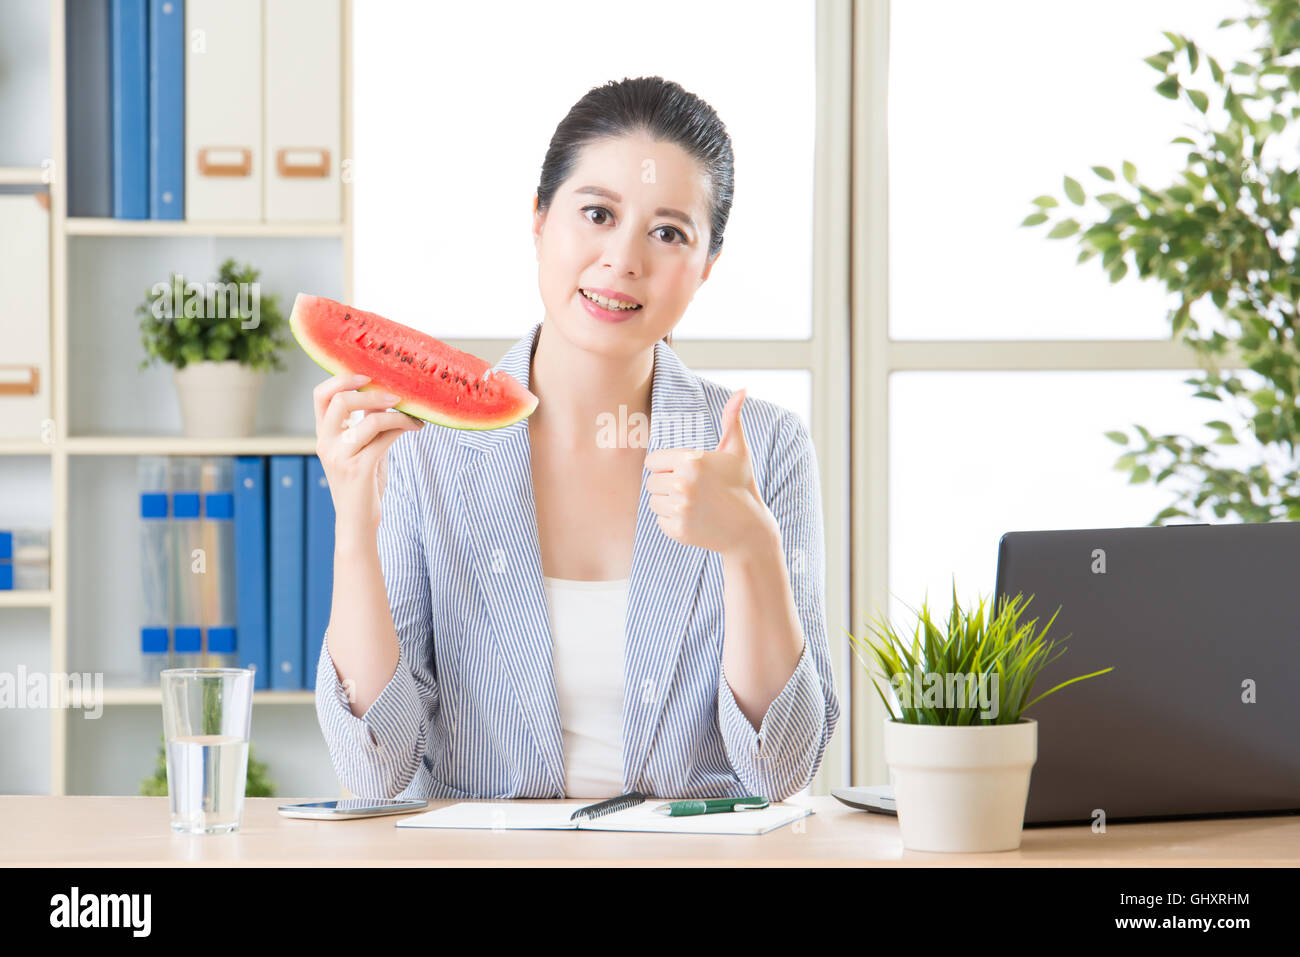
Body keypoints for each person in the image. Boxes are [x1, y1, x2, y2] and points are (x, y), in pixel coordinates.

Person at [312, 76, 839, 801]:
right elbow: (374, 768)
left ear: (707, 265)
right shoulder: (424, 451)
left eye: (668, 232)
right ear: (537, 219)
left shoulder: (766, 447)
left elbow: (780, 773)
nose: (622, 259)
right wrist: (353, 525)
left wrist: (752, 549)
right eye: (597, 213)